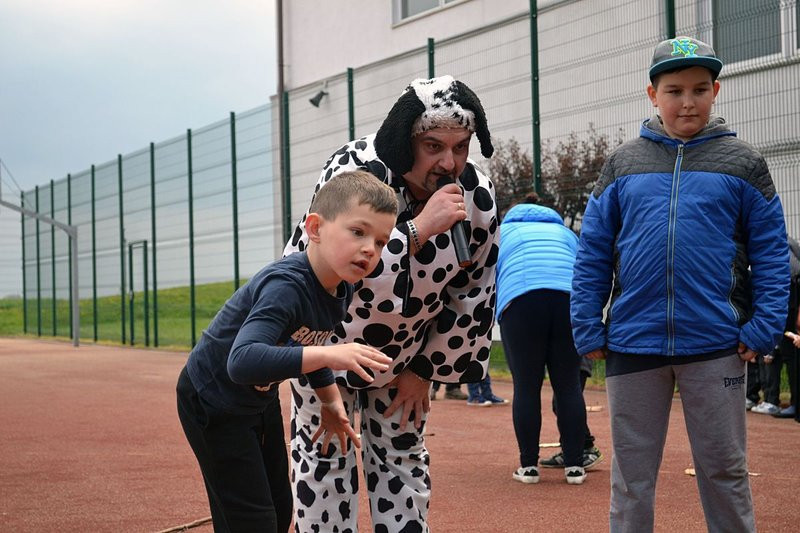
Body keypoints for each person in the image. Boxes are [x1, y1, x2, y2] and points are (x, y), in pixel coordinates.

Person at [571, 36, 789, 532]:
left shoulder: (743, 163)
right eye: (673, 90)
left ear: (715, 91)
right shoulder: (623, 164)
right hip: (633, 342)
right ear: (652, 94)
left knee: (724, 471)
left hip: (715, 344)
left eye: (697, 89)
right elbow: (592, 254)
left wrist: (764, 326)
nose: (686, 101)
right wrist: (586, 326)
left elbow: (772, 253)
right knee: (631, 479)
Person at [284, 74, 498, 532]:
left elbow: (475, 291)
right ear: (405, 140)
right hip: (324, 342)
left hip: (403, 356)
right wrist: (418, 229)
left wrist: (425, 371)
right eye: (434, 146)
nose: (450, 162)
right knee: (325, 459)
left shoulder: (476, 195)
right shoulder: (355, 169)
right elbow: (335, 267)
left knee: (402, 459)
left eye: (461, 147)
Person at [176, 171, 397, 532]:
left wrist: (329, 401)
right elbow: (242, 360)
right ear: (315, 229)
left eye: (381, 241)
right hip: (211, 400)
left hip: (254, 401)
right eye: (358, 232)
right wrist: (331, 355)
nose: (370, 248)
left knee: (279, 511)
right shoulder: (287, 286)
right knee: (251, 520)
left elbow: (306, 342)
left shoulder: (341, 289)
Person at [496, 193, 589, 485]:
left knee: (526, 386)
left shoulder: (503, 232)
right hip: (567, 301)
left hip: (521, 300)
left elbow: (489, 275)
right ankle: (575, 466)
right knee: (569, 386)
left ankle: (528, 467)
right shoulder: (565, 232)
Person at [540, 353, 603, 469]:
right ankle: (570, 449)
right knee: (560, 404)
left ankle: (586, 447)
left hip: (576, 359)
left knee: (564, 404)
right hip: (568, 359)